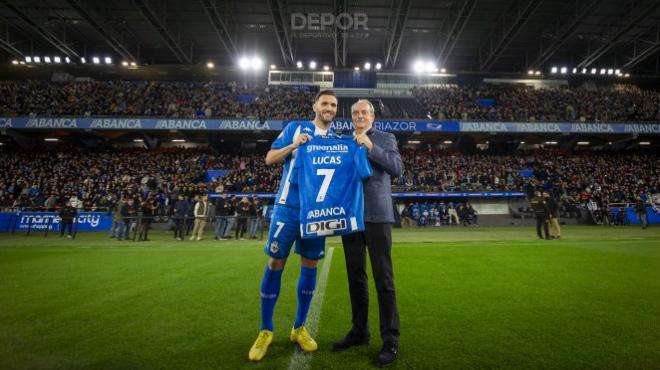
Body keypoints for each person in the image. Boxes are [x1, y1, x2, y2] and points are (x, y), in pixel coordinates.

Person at [248, 90, 338, 362]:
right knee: (276, 262)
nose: (329, 108)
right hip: (287, 209)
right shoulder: (295, 128)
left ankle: (299, 328)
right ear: (315, 105)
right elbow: (269, 158)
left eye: (333, 105)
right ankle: (265, 330)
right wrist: (294, 146)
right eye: (325, 103)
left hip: (316, 214)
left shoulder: (336, 141)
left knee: (310, 264)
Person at [333, 99, 403, 367]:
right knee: (355, 277)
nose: (359, 115)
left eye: (364, 112)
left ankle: (391, 339)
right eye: (355, 113)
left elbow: (396, 169)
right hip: (351, 216)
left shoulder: (385, 138)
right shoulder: (345, 141)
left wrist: (370, 145)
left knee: (383, 279)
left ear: (372, 116)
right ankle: (360, 331)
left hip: (377, 215)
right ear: (351, 117)